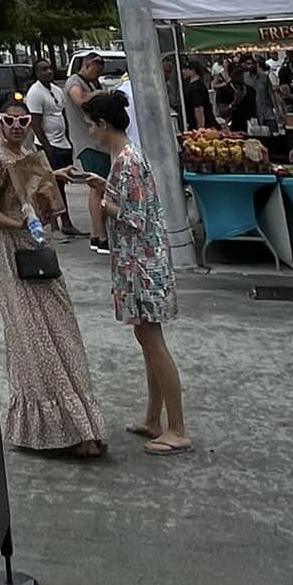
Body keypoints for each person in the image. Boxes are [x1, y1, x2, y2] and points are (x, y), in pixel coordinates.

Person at [0, 104, 106, 459]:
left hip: (37, 247)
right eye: (9, 121)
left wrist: (55, 176)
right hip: (13, 252)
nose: (16, 126)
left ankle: (81, 423)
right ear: (1, 123)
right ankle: (64, 427)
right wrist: (17, 224)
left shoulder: (27, 154)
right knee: (33, 334)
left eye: (22, 121)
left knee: (60, 329)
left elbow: (33, 189)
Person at [83, 88, 191, 455]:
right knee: (147, 339)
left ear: (103, 124)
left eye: (91, 125)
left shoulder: (126, 160)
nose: (90, 132)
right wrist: (106, 189)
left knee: (153, 341)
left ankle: (177, 428)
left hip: (141, 265)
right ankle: (153, 418)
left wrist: (104, 204)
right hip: (139, 262)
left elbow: (134, 218)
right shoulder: (125, 157)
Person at [24, 61, 82, 237]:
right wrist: (46, 147)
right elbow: (35, 123)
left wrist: (69, 140)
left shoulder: (57, 90)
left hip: (62, 143)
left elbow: (62, 114)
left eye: (50, 68)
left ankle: (66, 222)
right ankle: (54, 225)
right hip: (49, 145)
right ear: (36, 73)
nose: (49, 72)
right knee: (50, 186)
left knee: (62, 185)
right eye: (44, 69)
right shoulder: (35, 92)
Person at [65, 53, 110, 253]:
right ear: (88, 65)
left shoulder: (91, 82)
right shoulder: (75, 82)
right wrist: (98, 95)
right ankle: (100, 235)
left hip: (98, 144)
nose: (98, 74)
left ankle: (96, 233)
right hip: (89, 144)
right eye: (96, 70)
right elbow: (79, 99)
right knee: (96, 188)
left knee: (101, 188)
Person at [179, 58, 214, 131]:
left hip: (203, 126)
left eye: (185, 69)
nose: (183, 71)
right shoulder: (193, 85)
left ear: (193, 71)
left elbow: (198, 108)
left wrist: (200, 128)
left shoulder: (196, 88)